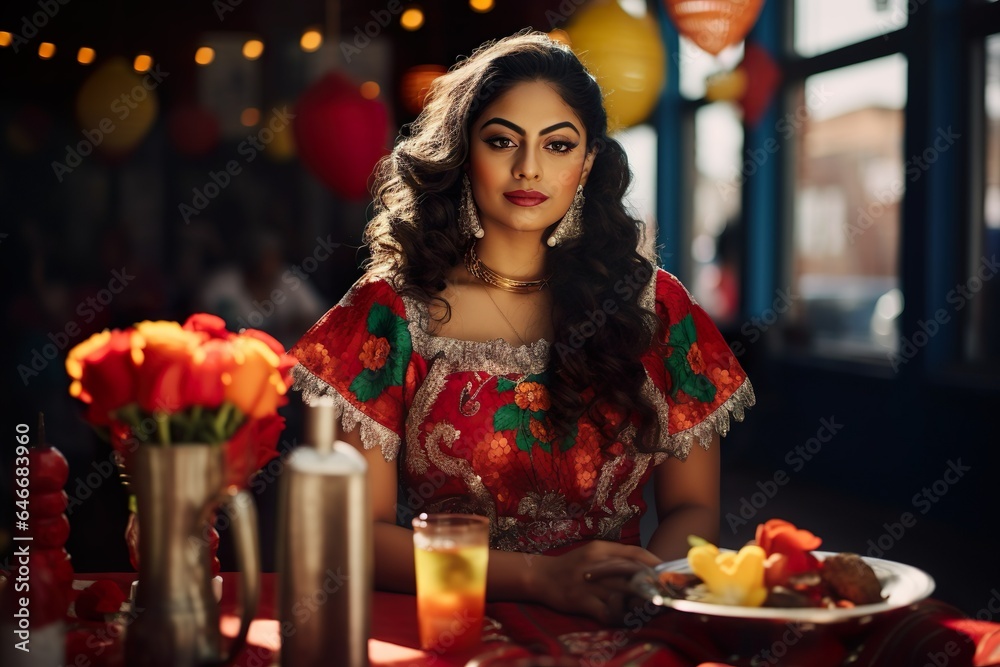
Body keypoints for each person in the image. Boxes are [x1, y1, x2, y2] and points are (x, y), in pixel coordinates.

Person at [289, 31, 754, 625]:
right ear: (463, 152)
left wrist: (639, 590)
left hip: (620, 617)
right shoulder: (388, 313)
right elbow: (360, 536)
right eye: (502, 140)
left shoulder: (654, 308)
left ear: (586, 165)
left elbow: (694, 509)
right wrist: (538, 579)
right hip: (453, 620)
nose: (528, 167)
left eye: (558, 146)